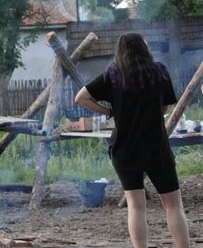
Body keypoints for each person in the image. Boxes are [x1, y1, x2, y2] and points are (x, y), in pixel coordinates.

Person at [75, 32, 190, 248]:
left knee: (135, 207)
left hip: (125, 148)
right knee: (173, 206)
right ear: (144, 48)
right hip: (156, 147)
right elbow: (165, 107)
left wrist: (109, 112)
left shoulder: (113, 74)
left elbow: (80, 97)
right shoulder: (159, 72)